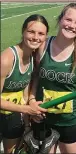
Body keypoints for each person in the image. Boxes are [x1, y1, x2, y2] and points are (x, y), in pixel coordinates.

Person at [28, 3, 76, 154]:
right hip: (43, 118)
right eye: (68, 20)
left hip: (72, 121)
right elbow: (35, 77)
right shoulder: (42, 45)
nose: (72, 25)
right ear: (60, 20)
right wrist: (31, 101)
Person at [0, 14, 49, 154]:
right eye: (31, 31)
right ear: (23, 31)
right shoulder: (6, 59)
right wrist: (27, 109)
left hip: (14, 117)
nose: (35, 37)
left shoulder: (33, 58)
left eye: (41, 33)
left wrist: (27, 124)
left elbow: (25, 93)